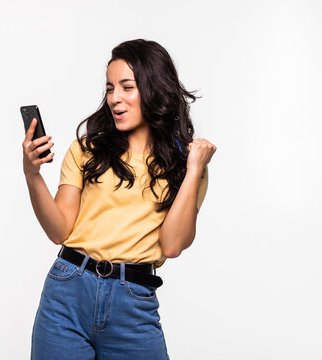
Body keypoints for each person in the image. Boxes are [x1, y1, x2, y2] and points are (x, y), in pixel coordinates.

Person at [22, 39, 217, 360]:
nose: (115, 98)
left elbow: (172, 246)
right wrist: (33, 175)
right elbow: (59, 231)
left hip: (134, 301)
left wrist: (194, 169)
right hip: (67, 292)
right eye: (110, 88)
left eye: (127, 87)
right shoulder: (87, 149)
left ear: (154, 88)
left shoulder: (186, 168)